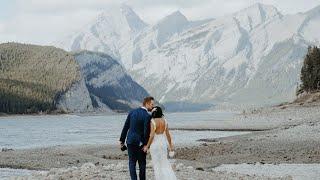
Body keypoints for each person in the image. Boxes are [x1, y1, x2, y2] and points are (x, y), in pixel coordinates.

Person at [119, 96, 154, 180]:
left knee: (132, 163)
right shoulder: (147, 116)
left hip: (130, 141)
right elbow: (146, 132)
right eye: (152, 104)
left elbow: (126, 127)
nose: (152, 106)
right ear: (147, 104)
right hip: (140, 143)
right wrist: (146, 145)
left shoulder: (132, 112)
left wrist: (122, 141)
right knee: (142, 163)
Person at [143, 106, 177, 180]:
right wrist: (170, 146)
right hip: (163, 143)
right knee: (164, 162)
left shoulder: (152, 121)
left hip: (155, 144)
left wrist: (147, 146)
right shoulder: (165, 121)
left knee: (157, 164)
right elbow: (168, 135)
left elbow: (152, 135)